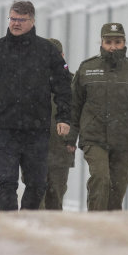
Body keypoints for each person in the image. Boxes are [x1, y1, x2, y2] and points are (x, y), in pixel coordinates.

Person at [0, 0, 71, 211]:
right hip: (5, 128)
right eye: (13, 19)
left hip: (37, 129)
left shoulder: (46, 51)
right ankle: (9, 223)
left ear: (32, 21)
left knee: (37, 184)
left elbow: (63, 86)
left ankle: (27, 219)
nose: (15, 24)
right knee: (7, 181)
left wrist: (63, 117)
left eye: (21, 20)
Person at [72, 23, 128, 211]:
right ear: (101, 42)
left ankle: (111, 228)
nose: (113, 46)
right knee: (101, 179)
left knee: (116, 190)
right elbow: (74, 106)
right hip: (94, 137)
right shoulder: (87, 68)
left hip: (124, 139)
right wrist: (70, 138)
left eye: (117, 42)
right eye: (108, 41)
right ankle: (96, 222)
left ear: (124, 43)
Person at [42, 38, 77, 210]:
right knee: (35, 197)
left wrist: (71, 139)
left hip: (61, 148)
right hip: (34, 148)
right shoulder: (28, 82)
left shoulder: (73, 84)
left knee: (55, 197)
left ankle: (52, 233)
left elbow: (79, 114)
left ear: (62, 56)